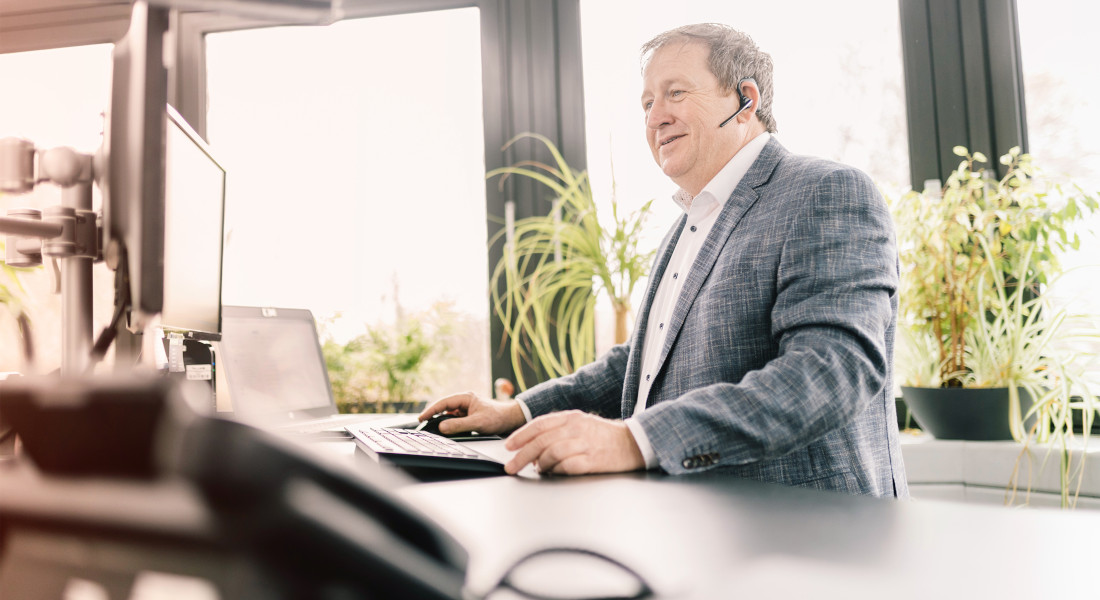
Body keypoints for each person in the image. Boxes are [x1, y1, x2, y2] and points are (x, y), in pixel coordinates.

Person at [420, 23, 908, 498]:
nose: (655, 117)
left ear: (745, 101)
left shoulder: (826, 192)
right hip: (701, 536)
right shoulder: (688, 224)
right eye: (647, 103)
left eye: (675, 93)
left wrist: (634, 439)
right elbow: (639, 365)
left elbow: (830, 372)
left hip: (813, 542)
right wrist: (516, 412)